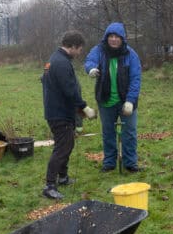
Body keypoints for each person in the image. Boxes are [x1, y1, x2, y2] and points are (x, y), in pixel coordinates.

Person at [42, 30, 96, 199]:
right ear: (72, 46)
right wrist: (84, 107)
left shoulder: (55, 59)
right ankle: (49, 185)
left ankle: (63, 177)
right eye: (79, 49)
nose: (80, 53)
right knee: (62, 148)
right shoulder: (61, 63)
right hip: (59, 113)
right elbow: (69, 90)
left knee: (67, 144)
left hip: (58, 111)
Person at [85, 22, 142, 172]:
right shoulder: (99, 50)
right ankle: (109, 162)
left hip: (126, 102)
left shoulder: (131, 55)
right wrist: (91, 69)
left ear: (122, 39)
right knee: (108, 132)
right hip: (106, 100)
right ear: (106, 38)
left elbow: (135, 79)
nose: (114, 39)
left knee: (129, 133)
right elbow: (90, 60)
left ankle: (130, 163)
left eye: (117, 36)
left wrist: (130, 101)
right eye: (111, 36)